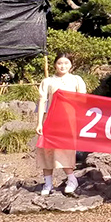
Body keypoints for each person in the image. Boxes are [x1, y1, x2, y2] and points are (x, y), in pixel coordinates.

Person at [35, 54, 87, 196]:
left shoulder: (76, 80)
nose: (63, 66)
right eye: (59, 63)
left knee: (66, 150)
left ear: (71, 65)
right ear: (55, 65)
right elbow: (42, 102)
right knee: (46, 150)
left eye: (66, 63)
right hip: (50, 120)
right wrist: (39, 123)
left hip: (69, 121)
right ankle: (48, 183)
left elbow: (83, 100)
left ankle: (71, 179)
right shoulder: (48, 81)